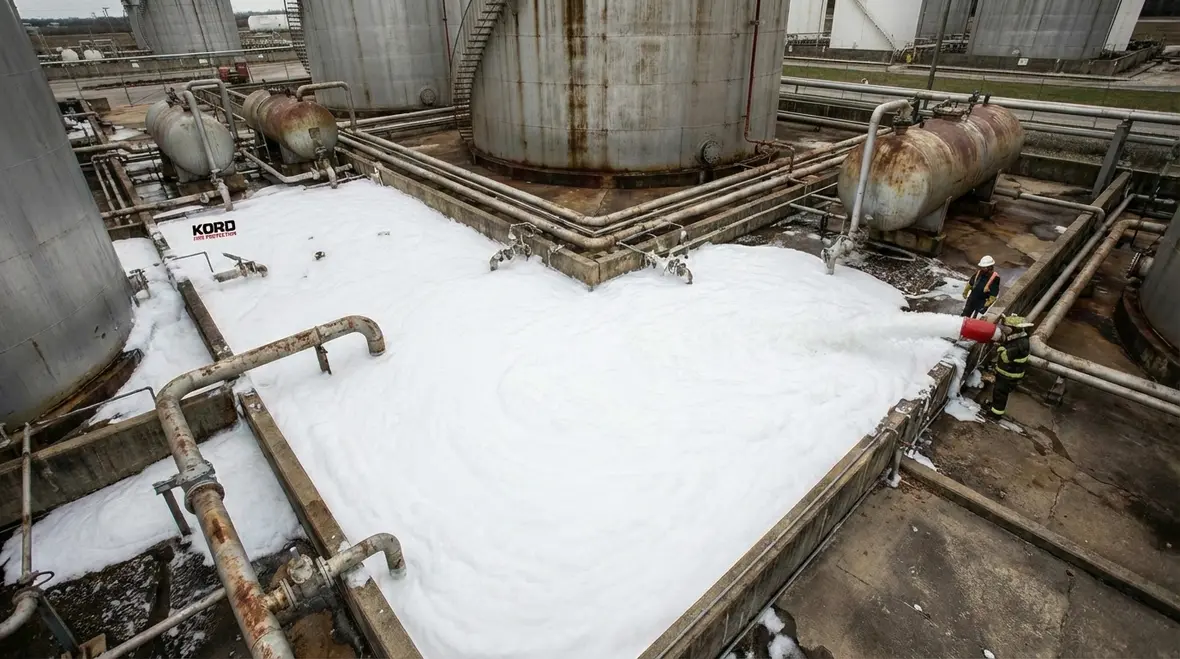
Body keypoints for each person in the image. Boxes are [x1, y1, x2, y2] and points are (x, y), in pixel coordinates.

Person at [987, 315, 1033, 420]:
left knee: (1000, 394)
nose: (1005, 329)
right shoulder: (1021, 338)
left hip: (1008, 374)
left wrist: (1000, 349)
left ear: (1014, 329)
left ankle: (995, 414)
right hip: (1009, 372)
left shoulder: (1019, 344)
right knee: (998, 393)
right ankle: (995, 407)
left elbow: (1006, 357)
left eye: (1007, 327)